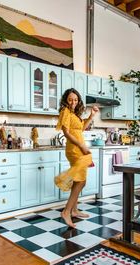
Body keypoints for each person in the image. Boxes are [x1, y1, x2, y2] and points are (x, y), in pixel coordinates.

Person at [54, 88, 99, 228]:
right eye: (70, 99)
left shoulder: (75, 114)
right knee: (80, 181)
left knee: (81, 181)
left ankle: (74, 210)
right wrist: (82, 146)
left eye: (75, 99)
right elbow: (66, 133)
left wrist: (91, 116)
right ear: (66, 100)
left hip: (80, 148)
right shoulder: (65, 112)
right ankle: (66, 211)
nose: (73, 102)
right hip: (74, 149)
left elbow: (80, 129)